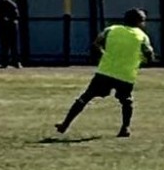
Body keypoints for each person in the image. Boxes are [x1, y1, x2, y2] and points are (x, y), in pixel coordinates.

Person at [54, 9, 156, 138]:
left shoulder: (111, 29)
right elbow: (149, 54)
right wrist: (143, 61)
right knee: (126, 101)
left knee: (85, 97)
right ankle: (125, 128)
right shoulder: (142, 37)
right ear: (139, 22)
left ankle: (65, 124)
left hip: (106, 71)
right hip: (126, 74)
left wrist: (103, 55)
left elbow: (96, 44)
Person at [0, 0, 21, 67]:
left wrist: (5, 20)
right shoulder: (10, 5)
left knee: (7, 46)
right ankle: (13, 62)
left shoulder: (3, 5)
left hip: (7, 28)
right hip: (8, 28)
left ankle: (8, 63)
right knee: (10, 46)